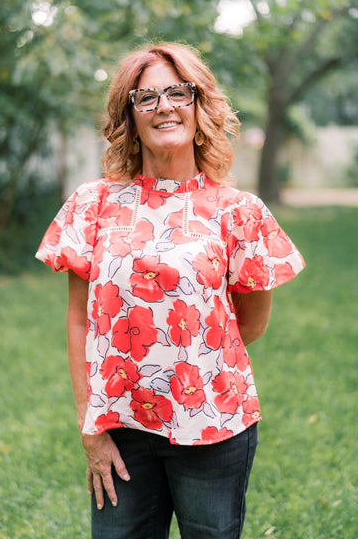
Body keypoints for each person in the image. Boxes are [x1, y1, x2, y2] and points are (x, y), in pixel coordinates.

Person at [36, 42, 305, 539]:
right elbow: (80, 321)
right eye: (146, 97)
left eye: (178, 93)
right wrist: (90, 424)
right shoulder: (92, 205)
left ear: (200, 107)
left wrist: (189, 370)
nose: (164, 106)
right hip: (120, 426)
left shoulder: (238, 211)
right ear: (129, 115)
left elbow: (252, 321)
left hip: (213, 426)